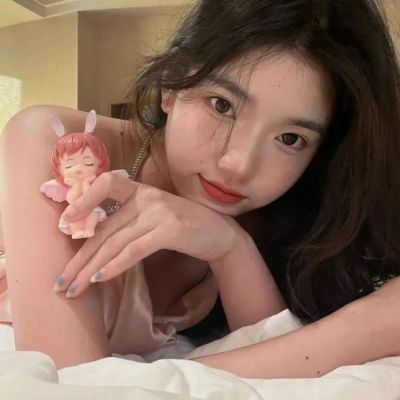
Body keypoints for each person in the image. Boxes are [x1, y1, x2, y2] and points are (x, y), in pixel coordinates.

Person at [1, 0, 400, 378]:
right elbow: (72, 380)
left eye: (291, 139)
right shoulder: (60, 146)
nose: (238, 165)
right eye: (222, 105)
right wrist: (367, 329)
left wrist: (231, 248)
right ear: (170, 85)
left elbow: (276, 361)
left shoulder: (276, 218)